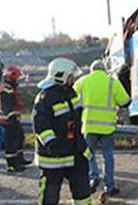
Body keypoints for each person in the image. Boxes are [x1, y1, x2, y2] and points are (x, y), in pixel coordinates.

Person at [33, 57, 91, 204]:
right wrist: (52, 144)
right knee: (50, 195)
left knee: (83, 192)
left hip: (75, 151)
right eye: (71, 76)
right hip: (54, 156)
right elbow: (41, 126)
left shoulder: (71, 93)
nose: (73, 79)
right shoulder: (44, 98)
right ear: (62, 76)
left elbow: (76, 120)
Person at [74, 59, 130, 197]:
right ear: (104, 69)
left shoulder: (82, 81)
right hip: (107, 127)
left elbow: (71, 100)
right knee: (108, 156)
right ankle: (109, 186)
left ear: (92, 70)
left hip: (89, 125)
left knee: (89, 154)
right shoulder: (112, 81)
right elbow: (125, 101)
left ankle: (93, 178)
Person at [0, 65, 31, 172]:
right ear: (11, 76)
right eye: (17, 77)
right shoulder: (7, 88)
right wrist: (11, 117)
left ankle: (19, 159)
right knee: (11, 142)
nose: (18, 80)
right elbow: (7, 105)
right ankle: (12, 165)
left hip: (14, 119)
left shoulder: (10, 87)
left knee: (19, 138)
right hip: (9, 120)